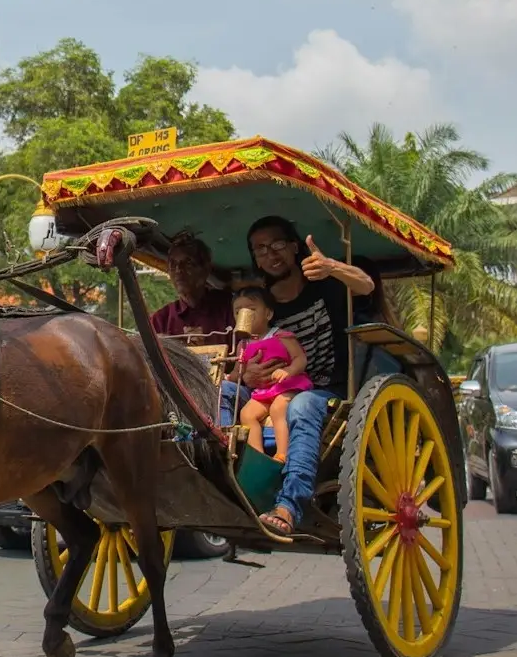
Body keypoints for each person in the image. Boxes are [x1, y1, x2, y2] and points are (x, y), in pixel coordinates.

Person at [239, 216, 373, 538]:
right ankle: (243, 486)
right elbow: (246, 353)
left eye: (277, 245)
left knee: (300, 407)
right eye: (260, 249)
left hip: (328, 389)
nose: (270, 254)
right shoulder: (260, 306)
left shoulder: (324, 283)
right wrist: (247, 375)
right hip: (272, 392)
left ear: (294, 247)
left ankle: (289, 502)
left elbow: (366, 285)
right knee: (224, 397)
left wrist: (332, 267)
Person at [230, 286, 310, 461]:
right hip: (263, 392)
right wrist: (228, 377)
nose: (245, 315)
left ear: (268, 314)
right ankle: (257, 455)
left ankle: (282, 453)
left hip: (287, 386)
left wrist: (288, 370)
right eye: (238, 312)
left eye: (251, 310)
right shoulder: (242, 345)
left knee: (278, 408)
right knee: (247, 414)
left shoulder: (281, 336)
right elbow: (238, 372)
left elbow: (300, 358)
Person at [149, 232, 235, 343]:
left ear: (205, 269)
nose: (179, 270)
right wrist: (177, 345)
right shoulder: (160, 320)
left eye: (188, 263)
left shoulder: (230, 308)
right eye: (173, 264)